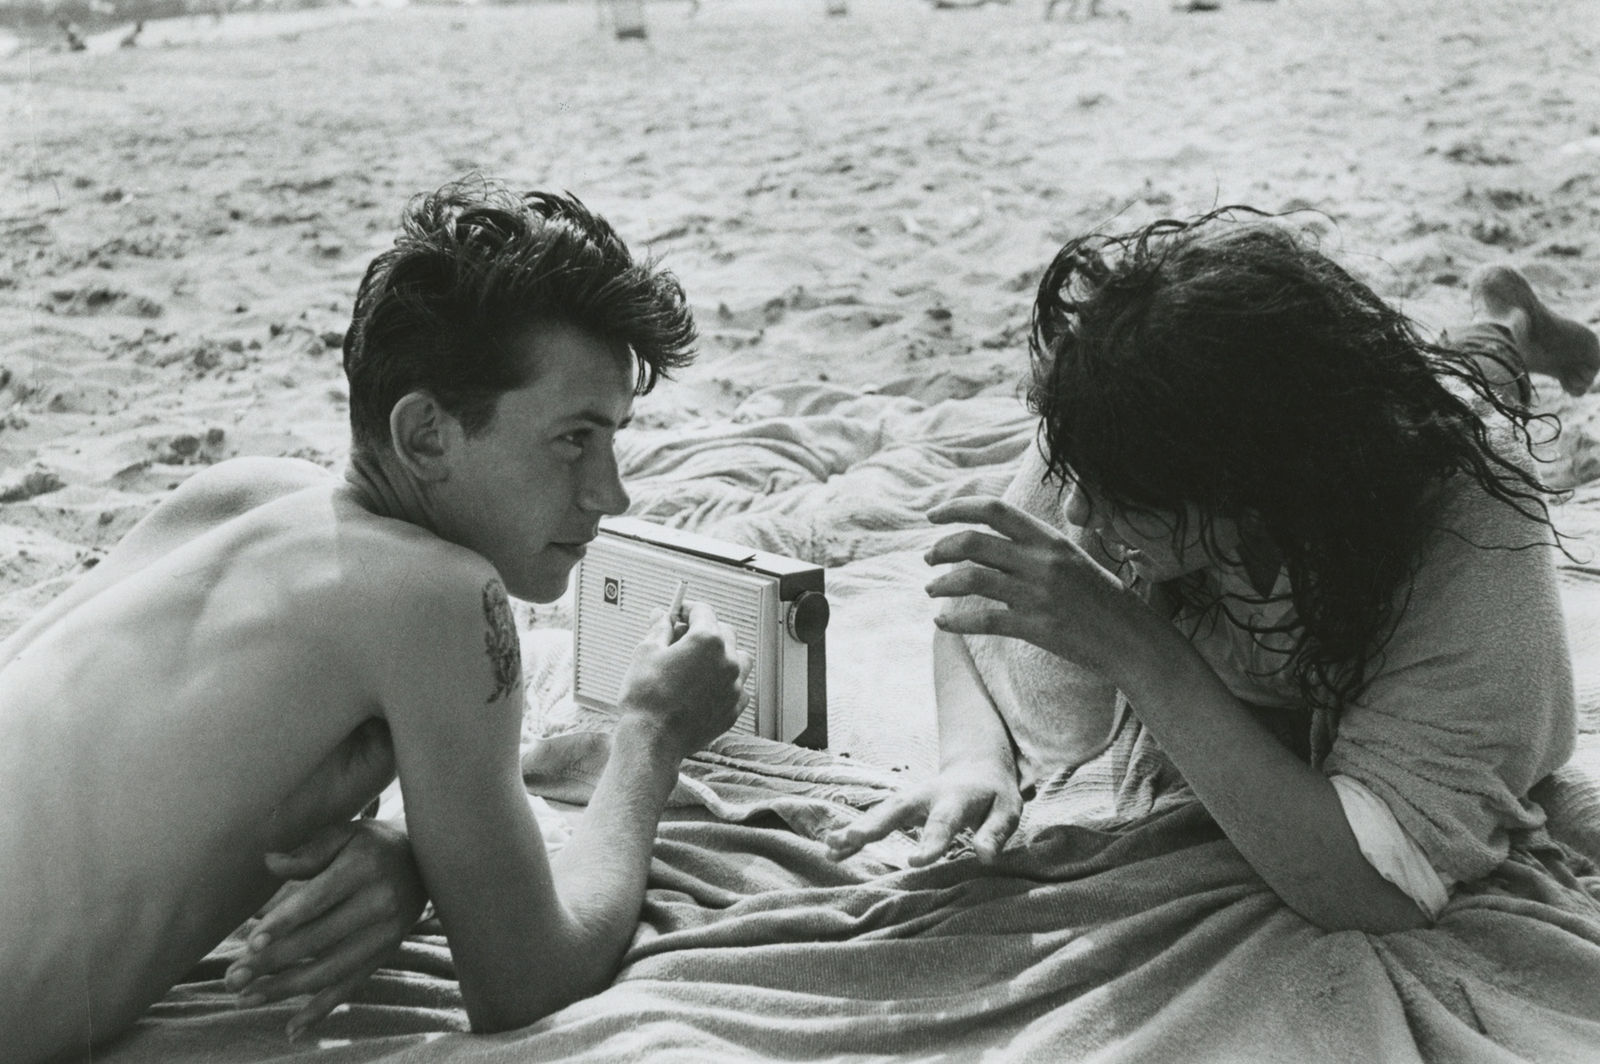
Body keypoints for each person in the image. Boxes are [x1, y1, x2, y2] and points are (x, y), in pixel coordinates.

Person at [0, 176, 749, 1061]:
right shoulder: (442, 599)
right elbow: (527, 983)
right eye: (573, 439)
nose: (610, 493)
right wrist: (651, 735)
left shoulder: (236, 493)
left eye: (615, 437)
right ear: (427, 435)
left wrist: (408, 854)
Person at [826, 209, 1598, 933]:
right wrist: (976, 757)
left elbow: (1374, 889)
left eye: (1117, 501)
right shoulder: (1119, 433)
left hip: (1406, 461)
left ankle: (1509, 327)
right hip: (1299, 462)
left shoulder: (1469, 531)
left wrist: (1138, 649)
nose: (1082, 518)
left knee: (1468, 393)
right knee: (1433, 378)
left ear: (1242, 491)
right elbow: (977, 604)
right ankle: (1499, 323)